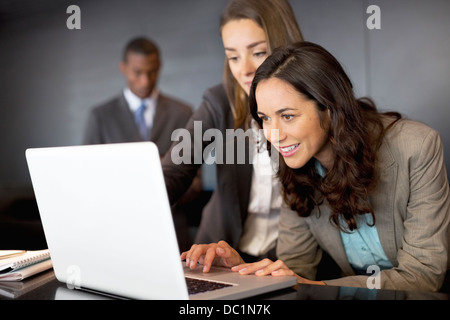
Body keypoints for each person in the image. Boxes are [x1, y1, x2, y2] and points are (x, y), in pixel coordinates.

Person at [181, 41, 450, 292]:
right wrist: (239, 270)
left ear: (330, 109)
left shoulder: (417, 146)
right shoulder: (294, 166)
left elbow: (423, 275)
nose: (273, 135)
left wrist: (319, 288)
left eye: (287, 116)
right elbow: (295, 270)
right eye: (265, 118)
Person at [162, 0, 304, 263]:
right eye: (233, 57)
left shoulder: (309, 106)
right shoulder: (218, 102)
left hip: (290, 257)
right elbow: (175, 171)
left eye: (258, 52)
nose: (245, 69)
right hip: (220, 254)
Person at [83, 37, 202, 251]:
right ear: (123, 68)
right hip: (116, 234)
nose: (145, 81)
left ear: (160, 67)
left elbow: (195, 184)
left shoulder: (183, 113)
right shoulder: (100, 116)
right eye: (137, 72)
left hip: (172, 235)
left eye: (152, 71)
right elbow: (87, 181)